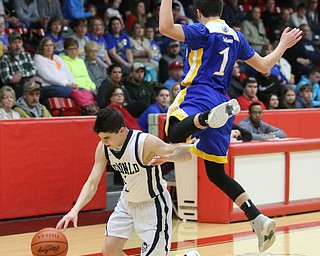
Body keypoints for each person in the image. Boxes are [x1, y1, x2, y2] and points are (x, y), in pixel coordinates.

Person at [159, 0, 301, 252]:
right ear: (222, 11)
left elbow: (165, 27)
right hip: (223, 101)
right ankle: (257, 217)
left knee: (171, 133)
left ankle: (203, 119)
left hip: (199, 94)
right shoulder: (236, 36)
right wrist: (282, 45)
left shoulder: (201, 30)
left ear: (199, 12)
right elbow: (265, 66)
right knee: (216, 173)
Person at [56, 107, 193, 255]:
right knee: (110, 250)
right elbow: (92, 183)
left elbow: (186, 155)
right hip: (127, 203)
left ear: (121, 130)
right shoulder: (103, 147)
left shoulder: (144, 142)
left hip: (153, 205)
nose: (103, 142)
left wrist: (168, 158)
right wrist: (74, 210)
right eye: (101, 137)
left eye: (107, 138)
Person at [33, 37, 77, 101]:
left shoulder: (57, 58)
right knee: (74, 92)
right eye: (46, 45)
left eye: (51, 45)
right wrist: (66, 84)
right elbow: (48, 77)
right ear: (41, 47)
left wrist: (72, 83)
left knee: (84, 91)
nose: (49, 47)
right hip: (49, 86)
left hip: (64, 86)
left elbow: (67, 72)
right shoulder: (38, 58)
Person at [0, 31, 37, 98]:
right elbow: (5, 79)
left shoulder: (26, 55)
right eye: (14, 43)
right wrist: (25, 78)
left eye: (19, 42)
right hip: (15, 88)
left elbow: (34, 70)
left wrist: (21, 74)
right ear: (9, 44)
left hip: (29, 84)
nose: (17, 45)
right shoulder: (4, 59)